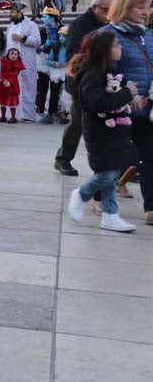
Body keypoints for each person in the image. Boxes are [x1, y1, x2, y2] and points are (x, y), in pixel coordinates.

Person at [66, 29, 145, 233]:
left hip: (115, 131)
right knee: (106, 173)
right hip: (100, 131)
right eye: (117, 45)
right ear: (105, 50)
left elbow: (113, 95)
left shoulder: (108, 70)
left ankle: (110, 215)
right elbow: (97, 102)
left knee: (112, 172)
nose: (120, 48)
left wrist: (130, 98)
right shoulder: (93, 73)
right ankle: (82, 194)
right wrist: (127, 93)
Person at [104, 0, 153, 225]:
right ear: (125, 7)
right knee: (115, 156)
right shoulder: (107, 35)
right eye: (140, 7)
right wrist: (126, 94)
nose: (146, 12)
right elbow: (99, 74)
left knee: (150, 156)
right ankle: (98, 196)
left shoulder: (149, 35)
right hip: (120, 109)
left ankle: (151, 208)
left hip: (147, 110)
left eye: (149, 7)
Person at [55, 0, 113, 176]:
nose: (108, 13)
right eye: (105, 10)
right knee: (78, 123)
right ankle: (63, 159)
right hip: (82, 82)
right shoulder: (81, 24)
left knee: (111, 125)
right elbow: (72, 55)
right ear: (95, 8)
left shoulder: (108, 24)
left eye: (111, 10)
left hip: (104, 81)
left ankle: (119, 166)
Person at [5, 8, 41, 121]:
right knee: (11, 86)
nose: (10, 14)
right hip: (11, 63)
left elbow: (37, 41)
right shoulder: (10, 26)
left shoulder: (31, 25)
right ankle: (12, 114)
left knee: (27, 86)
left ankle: (27, 115)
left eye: (12, 12)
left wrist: (22, 38)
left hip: (26, 61)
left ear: (19, 13)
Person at [37, 8, 68, 124]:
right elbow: (40, 47)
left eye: (45, 16)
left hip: (64, 66)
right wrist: (43, 47)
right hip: (48, 62)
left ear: (52, 17)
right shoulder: (43, 32)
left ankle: (63, 112)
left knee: (65, 90)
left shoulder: (63, 30)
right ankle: (45, 111)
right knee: (44, 86)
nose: (43, 19)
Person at [0, 47, 25, 123]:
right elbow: (1, 73)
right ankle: (3, 116)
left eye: (16, 54)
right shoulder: (3, 62)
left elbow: (14, 75)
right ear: (8, 54)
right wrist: (4, 80)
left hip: (12, 85)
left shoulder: (17, 65)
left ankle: (13, 117)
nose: (14, 55)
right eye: (12, 53)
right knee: (3, 100)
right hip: (3, 84)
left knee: (12, 101)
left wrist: (9, 82)